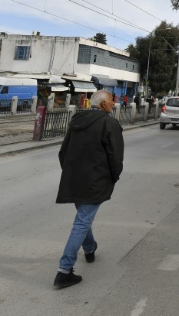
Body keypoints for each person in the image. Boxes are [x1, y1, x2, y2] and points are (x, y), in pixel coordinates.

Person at [54, 90, 124, 289]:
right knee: (82, 221)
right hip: (95, 181)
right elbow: (115, 157)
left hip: (74, 179)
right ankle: (64, 270)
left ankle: (90, 247)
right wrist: (113, 177)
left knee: (84, 218)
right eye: (111, 101)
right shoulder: (109, 124)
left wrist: (71, 173)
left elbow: (63, 152)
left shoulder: (76, 122)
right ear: (102, 104)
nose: (113, 104)